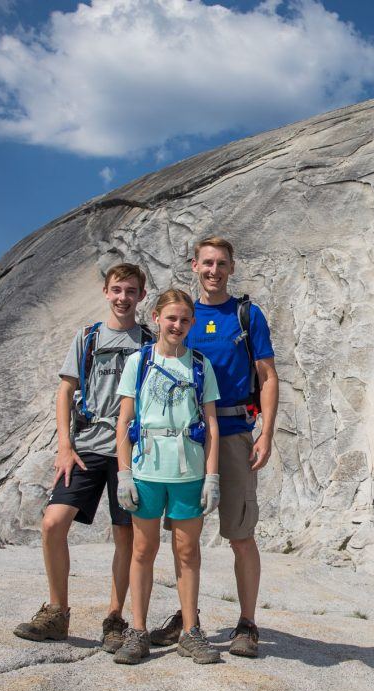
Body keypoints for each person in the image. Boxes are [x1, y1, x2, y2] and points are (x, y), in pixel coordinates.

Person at [149, 237, 278, 658]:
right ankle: (189, 621)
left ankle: (247, 623)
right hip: (190, 437)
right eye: (207, 263)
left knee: (241, 532)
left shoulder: (247, 315)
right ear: (195, 265)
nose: (214, 270)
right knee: (186, 535)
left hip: (235, 430)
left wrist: (267, 432)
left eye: (221, 263)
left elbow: (268, 375)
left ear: (232, 268)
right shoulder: (185, 314)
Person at [14, 263, 148, 650]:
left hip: (131, 452)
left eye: (131, 291)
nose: (123, 297)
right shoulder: (87, 338)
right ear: (106, 292)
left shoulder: (149, 343)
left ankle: (115, 617)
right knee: (53, 523)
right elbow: (65, 391)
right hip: (87, 446)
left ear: (141, 296)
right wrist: (65, 445)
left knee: (126, 534)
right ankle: (57, 611)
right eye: (117, 289)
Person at [111, 289, 223, 665]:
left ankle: (190, 630)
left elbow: (211, 424)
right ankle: (138, 631)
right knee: (143, 550)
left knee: (188, 551)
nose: (177, 325)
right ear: (156, 318)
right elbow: (124, 420)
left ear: (192, 324)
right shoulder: (138, 361)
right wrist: (124, 473)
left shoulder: (199, 364)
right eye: (171, 318)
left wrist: (211, 476)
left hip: (188, 470)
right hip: (146, 469)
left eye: (185, 320)